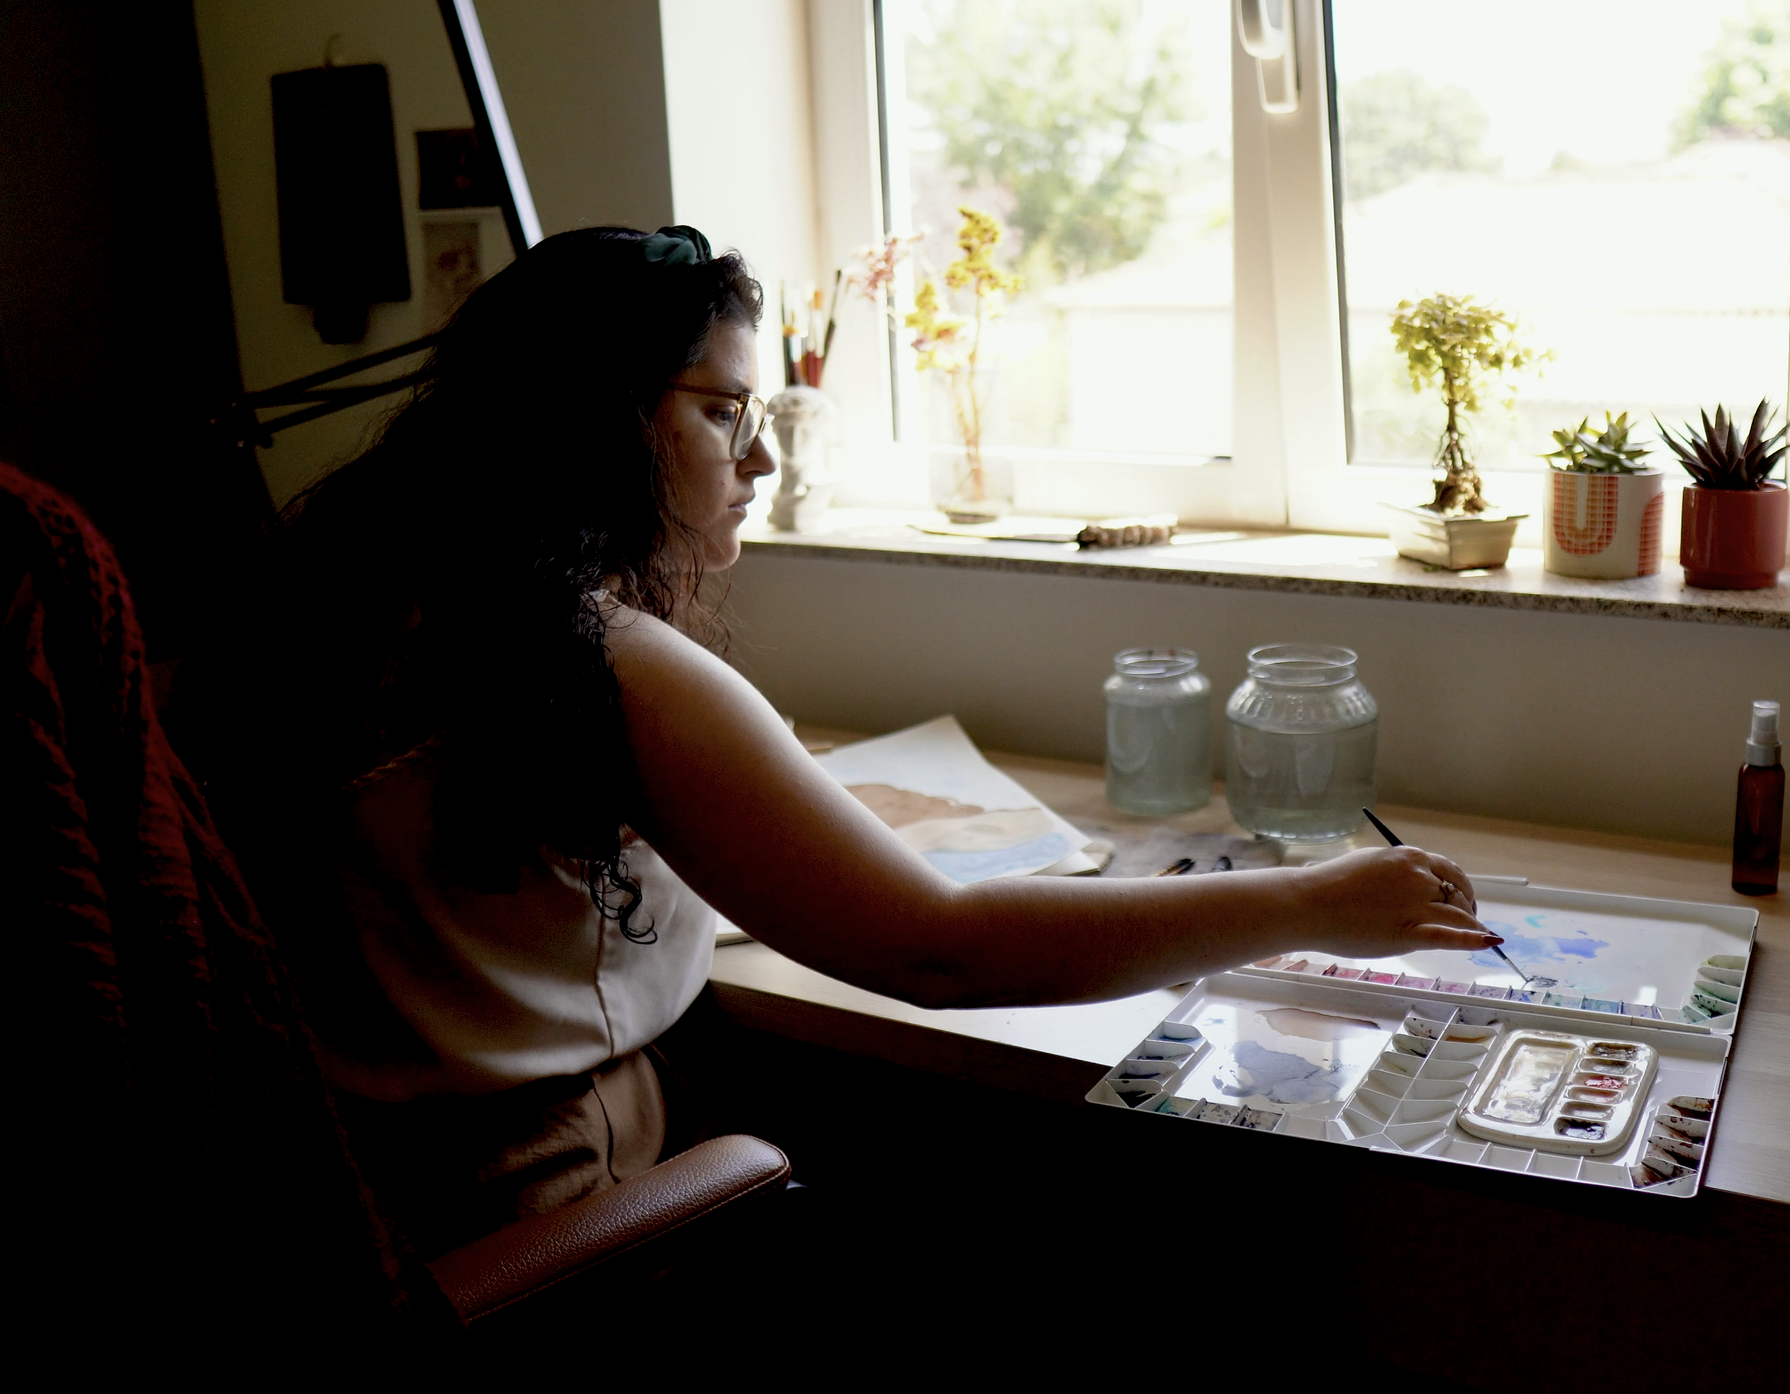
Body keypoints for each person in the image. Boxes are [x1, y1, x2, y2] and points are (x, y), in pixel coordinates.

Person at [200, 226, 1493, 1256]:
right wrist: (1321, 899)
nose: (757, 457)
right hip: (537, 1209)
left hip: (343, 1190)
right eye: (721, 412)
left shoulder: (343, 594)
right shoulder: (601, 662)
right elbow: (939, 947)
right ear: (594, 419)